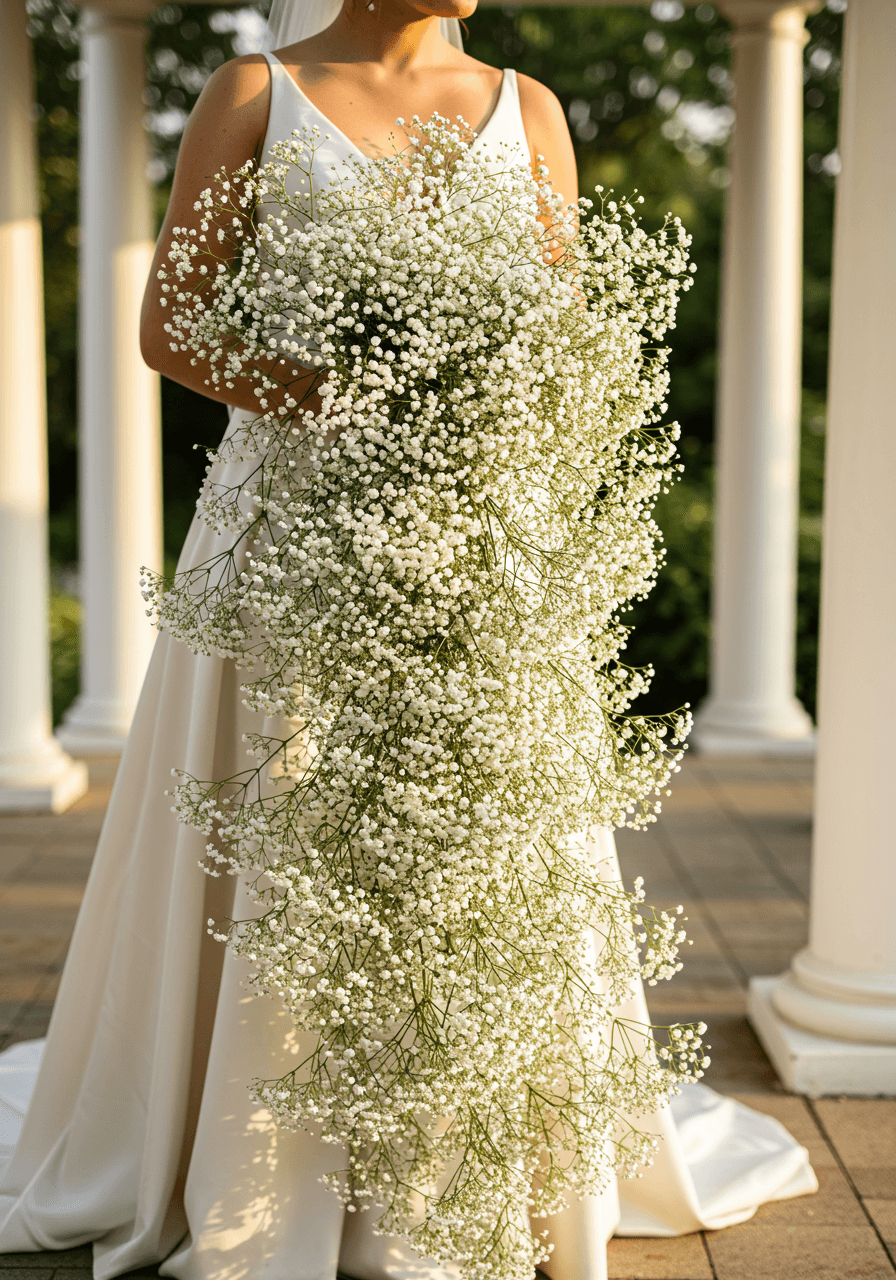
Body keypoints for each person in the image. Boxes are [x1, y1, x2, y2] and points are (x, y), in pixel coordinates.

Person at [0, 3, 816, 1278]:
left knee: (487, 841)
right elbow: (172, 327)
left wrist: (488, 416)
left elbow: (560, 337)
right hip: (287, 533)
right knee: (294, 826)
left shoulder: (527, 106)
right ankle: (263, 1173)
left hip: (476, 531)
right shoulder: (253, 94)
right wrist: (346, 387)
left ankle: (470, 1171)